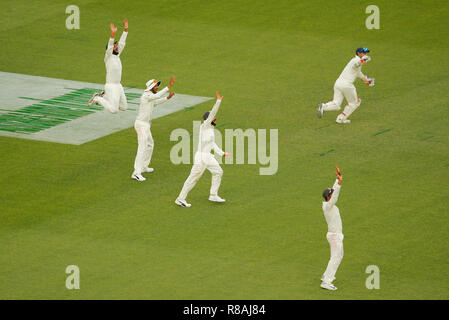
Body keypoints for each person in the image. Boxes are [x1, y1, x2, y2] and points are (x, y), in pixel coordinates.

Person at [175, 91, 230, 207]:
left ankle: (213, 195)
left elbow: (212, 143)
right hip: (201, 157)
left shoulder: (210, 129)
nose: (215, 119)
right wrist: (218, 101)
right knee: (193, 178)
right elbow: (213, 112)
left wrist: (222, 153)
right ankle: (180, 198)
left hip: (208, 156)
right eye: (213, 118)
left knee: (218, 172)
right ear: (208, 119)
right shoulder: (205, 126)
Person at [131, 77, 175, 181]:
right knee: (142, 147)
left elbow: (156, 102)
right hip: (140, 125)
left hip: (146, 125)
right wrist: (168, 86)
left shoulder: (150, 97)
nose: (157, 87)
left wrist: (167, 98)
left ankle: (144, 167)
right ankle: (136, 173)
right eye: (156, 86)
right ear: (151, 87)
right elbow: (157, 96)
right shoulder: (146, 95)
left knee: (150, 144)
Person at [317, 47, 375, 124]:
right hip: (347, 85)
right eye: (364, 53)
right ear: (358, 53)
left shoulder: (355, 62)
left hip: (338, 83)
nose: (365, 54)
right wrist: (363, 60)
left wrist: (367, 80)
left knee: (336, 104)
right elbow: (356, 64)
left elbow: (358, 73)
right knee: (355, 103)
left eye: (366, 53)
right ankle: (341, 119)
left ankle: (323, 106)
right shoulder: (355, 60)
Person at [88, 20, 129, 113]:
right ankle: (97, 98)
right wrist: (113, 34)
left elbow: (122, 43)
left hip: (118, 85)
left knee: (124, 107)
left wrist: (125, 30)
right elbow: (110, 46)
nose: (117, 47)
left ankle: (105, 96)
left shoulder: (117, 56)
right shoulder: (108, 57)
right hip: (111, 86)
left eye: (116, 46)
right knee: (114, 110)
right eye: (115, 46)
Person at [320, 165, 344, 291]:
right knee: (335, 257)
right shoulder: (328, 206)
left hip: (336, 235)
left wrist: (337, 180)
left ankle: (327, 275)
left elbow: (333, 193)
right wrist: (339, 185)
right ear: (328, 197)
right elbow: (335, 196)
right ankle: (326, 282)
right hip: (334, 236)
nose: (332, 193)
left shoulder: (328, 204)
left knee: (339, 256)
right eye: (331, 193)